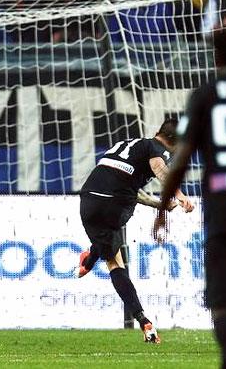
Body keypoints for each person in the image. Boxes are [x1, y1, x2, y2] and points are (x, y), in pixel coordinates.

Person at [154, 28, 226, 368]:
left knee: (222, 308)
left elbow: (182, 158)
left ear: (216, 57)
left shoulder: (207, 95)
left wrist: (163, 208)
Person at [77, 118, 195, 343]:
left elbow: (126, 187)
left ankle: (89, 260)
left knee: (107, 246)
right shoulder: (157, 150)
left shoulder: (128, 145)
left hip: (89, 199)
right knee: (115, 263)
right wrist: (179, 196)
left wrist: (158, 204)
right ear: (174, 142)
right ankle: (144, 322)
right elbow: (160, 170)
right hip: (115, 205)